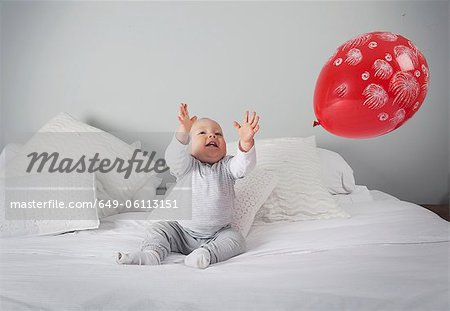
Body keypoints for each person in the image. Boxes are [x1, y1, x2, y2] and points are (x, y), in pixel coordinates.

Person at [116, 103, 260, 268]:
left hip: (218, 233)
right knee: (159, 229)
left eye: (218, 133)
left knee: (237, 239)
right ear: (189, 147)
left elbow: (244, 165)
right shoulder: (187, 166)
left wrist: (246, 142)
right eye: (202, 133)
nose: (212, 136)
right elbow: (173, 157)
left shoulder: (227, 167)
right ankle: (152, 254)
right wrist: (183, 132)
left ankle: (206, 253)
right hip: (181, 232)